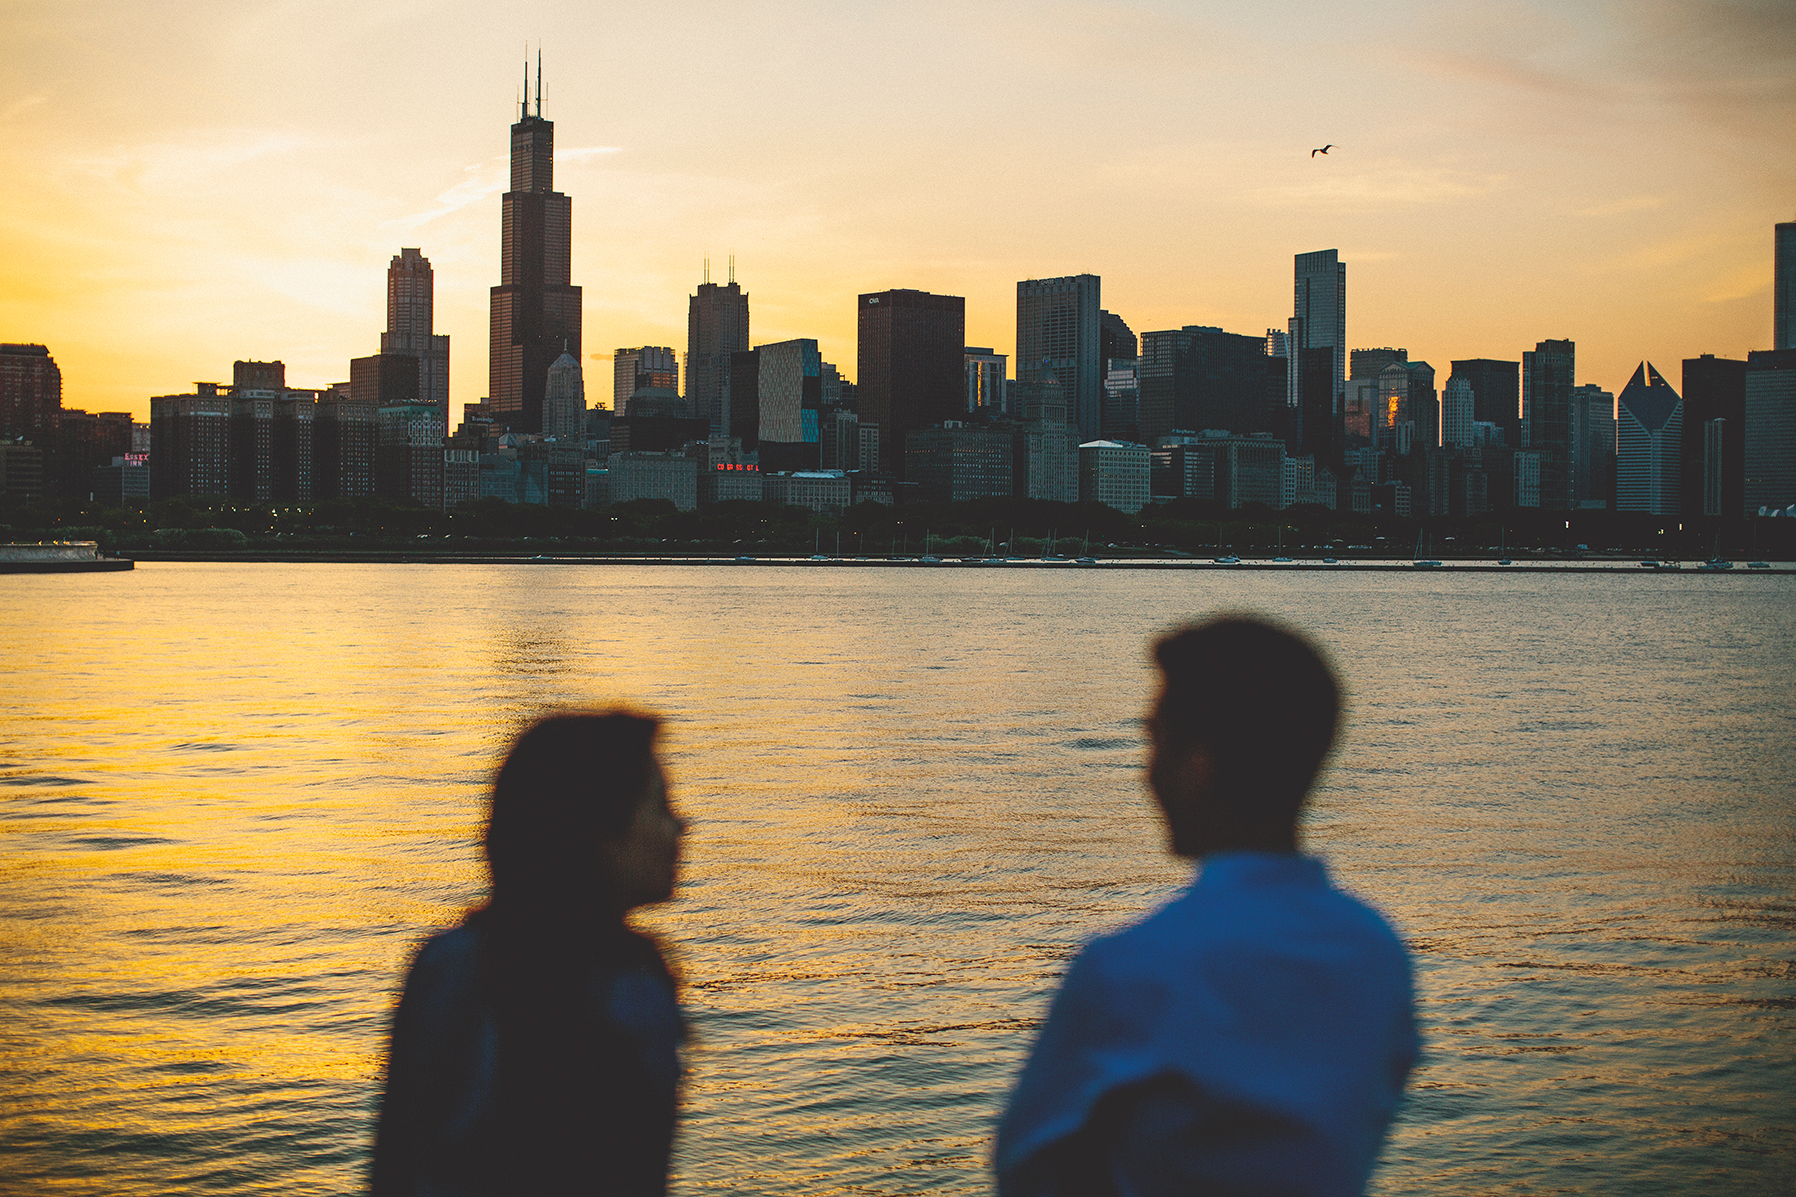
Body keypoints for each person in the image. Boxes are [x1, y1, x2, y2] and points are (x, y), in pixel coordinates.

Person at [995, 616, 1418, 1197]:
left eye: (1155, 741)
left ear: (1197, 767)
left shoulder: (1127, 970)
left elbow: (1027, 1168)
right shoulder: (1378, 954)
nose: (1147, 772)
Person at [371, 711, 687, 1197]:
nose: (680, 826)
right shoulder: (634, 992)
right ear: (601, 832)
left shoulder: (445, 966)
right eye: (660, 806)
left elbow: (394, 1163)